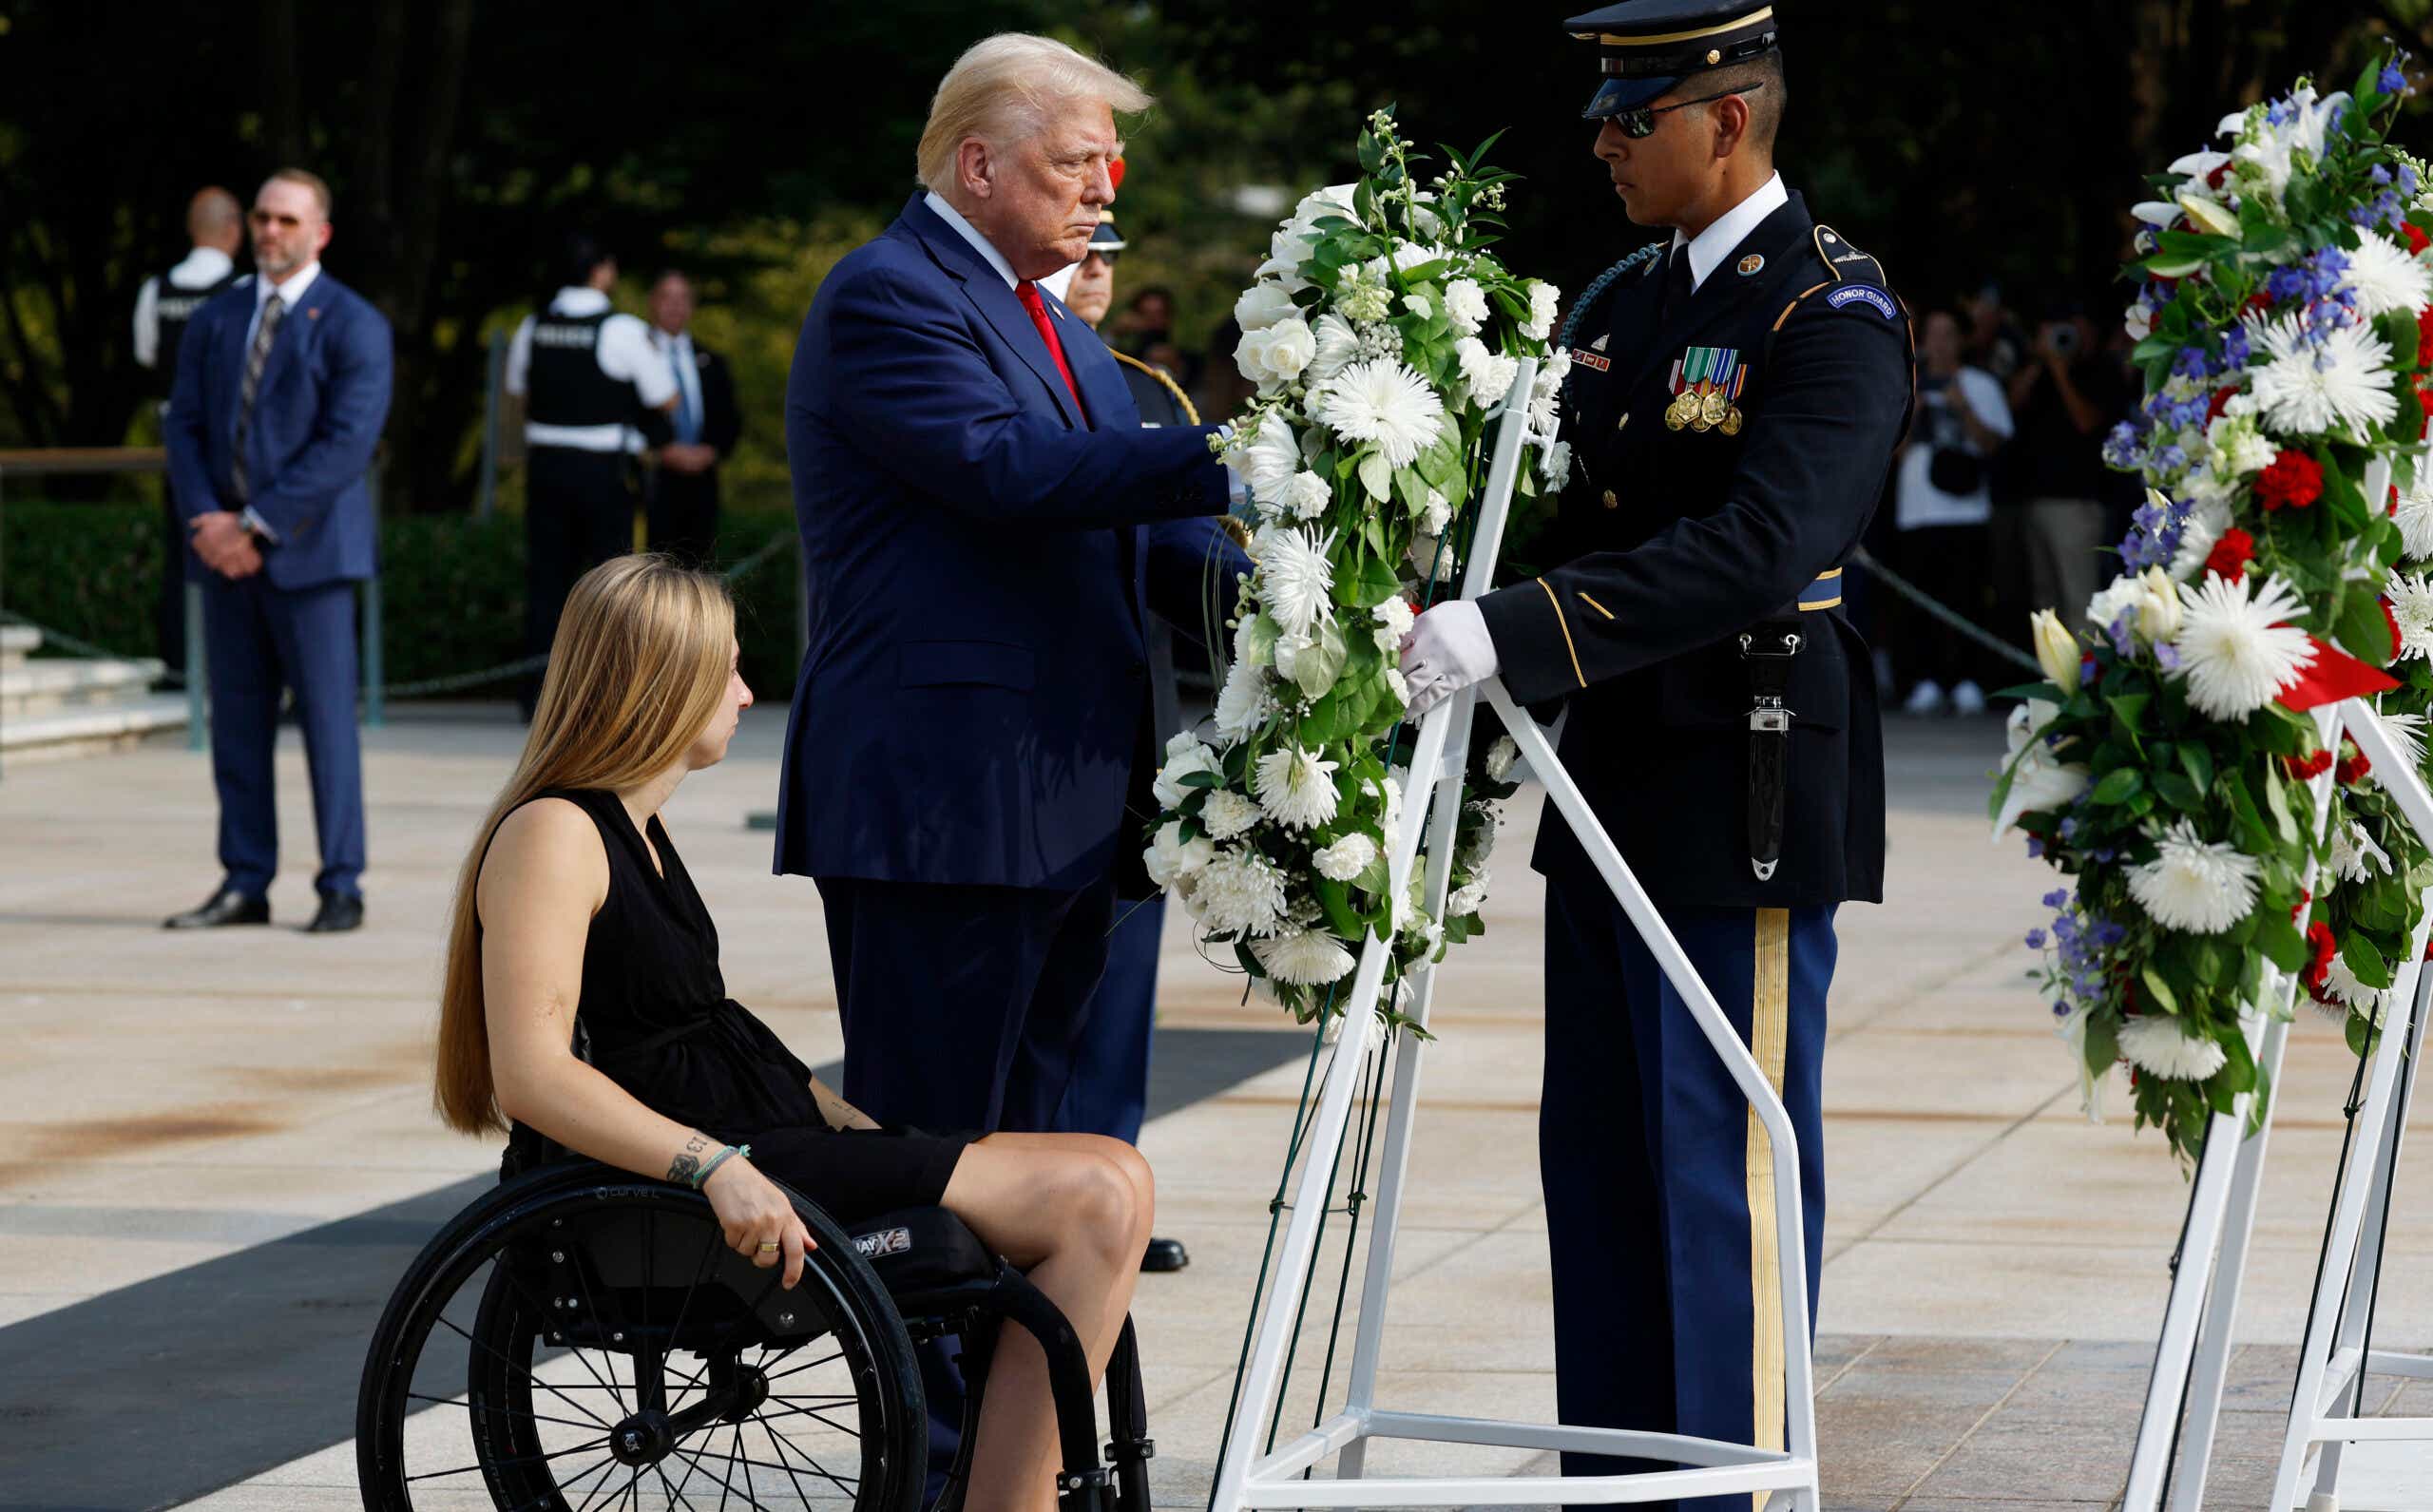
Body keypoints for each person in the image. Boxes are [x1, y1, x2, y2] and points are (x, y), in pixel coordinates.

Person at [1397, 7, 1910, 1506]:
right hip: (1611, 772)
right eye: (1607, 116)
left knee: (1720, 1165)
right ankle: (1621, 1481)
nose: (1604, 142)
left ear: (1729, 122)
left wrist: (1517, 625)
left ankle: (1734, 1487)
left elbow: (1768, 543)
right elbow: (1570, 508)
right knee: (1607, 1167)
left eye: (1635, 118)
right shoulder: (1619, 297)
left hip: (1738, 777)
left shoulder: (1828, 311)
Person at [431, 554, 1152, 1512]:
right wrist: (712, 1166)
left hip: (758, 1143)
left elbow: (704, 1032)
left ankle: (1007, 1490)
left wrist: (848, 1122)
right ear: (660, 684)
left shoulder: (632, 829)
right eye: (725, 669)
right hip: (676, 1188)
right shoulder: (555, 833)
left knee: (1119, 1173)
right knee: (1092, 1199)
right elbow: (533, 1074)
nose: (745, 691)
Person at [775, 31, 1249, 1477]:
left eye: (1110, 165)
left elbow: (1157, 541)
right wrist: (1242, 443)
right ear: (977, 163)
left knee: (1031, 1175)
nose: (1103, 191)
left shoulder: (1052, 322)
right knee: (936, 1171)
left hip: (1056, 810)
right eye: (1073, 164)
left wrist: (1313, 589)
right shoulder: (889, 296)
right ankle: (922, 1466)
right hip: (945, 811)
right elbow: (1008, 472)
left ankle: (1010, 1469)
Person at [1056, 201, 1241, 1276]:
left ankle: (1107, 1206)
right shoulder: (1011, 367)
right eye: (1081, 253)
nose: (1092, 275)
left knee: (1118, 997)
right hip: (1040, 724)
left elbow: (1193, 549)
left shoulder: (1145, 390)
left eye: (1106, 260)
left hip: (1134, 725)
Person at [162, 168, 392, 935]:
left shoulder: (354, 322)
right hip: (222, 558)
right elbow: (184, 426)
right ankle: (245, 879)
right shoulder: (217, 318)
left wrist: (252, 525)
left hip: (311, 559)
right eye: (262, 217)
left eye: (288, 220)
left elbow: (345, 445)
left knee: (328, 727)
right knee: (236, 727)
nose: (270, 231)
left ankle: (341, 882)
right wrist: (206, 519)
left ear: (320, 231)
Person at [505, 235, 679, 714]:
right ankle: (611, 695)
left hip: (545, 467)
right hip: (602, 472)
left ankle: (538, 694)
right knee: (614, 582)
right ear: (601, 271)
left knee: (546, 581)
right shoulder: (620, 329)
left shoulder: (533, 325)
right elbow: (666, 399)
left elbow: (518, 392)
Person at [134, 186, 245, 671]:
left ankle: (180, 663)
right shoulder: (243, 290)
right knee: (236, 548)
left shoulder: (156, 290)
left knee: (183, 547)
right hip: (230, 437)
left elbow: (147, 355)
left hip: (173, 434)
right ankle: (231, 665)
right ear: (233, 231)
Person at [1888, 307, 2011, 717]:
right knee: (1918, 603)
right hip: (1917, 512)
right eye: (1932, 335)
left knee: (1968, 600)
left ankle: (1970, 681)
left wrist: (1963, 407)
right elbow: (1892, 454)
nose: (1939, 344)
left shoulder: (1980, 384)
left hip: (1966, 513)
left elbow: (1994, 444)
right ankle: (1923, 680)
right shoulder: (1907, 384)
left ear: (1961, 340)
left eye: (1947, 335)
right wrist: (1916, 410)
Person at [1994, 300, 2121, 631]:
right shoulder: (2038, 371)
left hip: (2077, 506)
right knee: (2045, 607)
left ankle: (2086, 681)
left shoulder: (2101, 370)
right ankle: (2054, 680)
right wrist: (2041, 361)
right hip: (2034, 501)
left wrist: (2060, 371)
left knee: (2079, 603)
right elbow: (2007, 409)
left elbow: (2086, 421)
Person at [642, 268, 742, 568]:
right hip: (651, 484)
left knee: (698, 574)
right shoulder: (635, 355)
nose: (675, 306)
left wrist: (710, 451)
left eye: (682, 298)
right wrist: (662, 449)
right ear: (653, 302)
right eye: (667, 297)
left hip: (702, 486)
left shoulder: (711, 360)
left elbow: (731, 420)